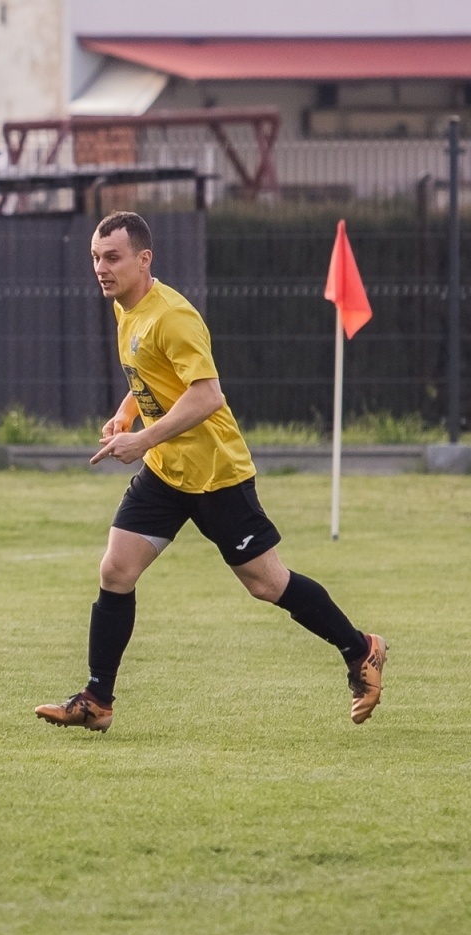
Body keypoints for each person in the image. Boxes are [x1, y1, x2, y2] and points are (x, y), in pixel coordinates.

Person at [35, 211, 385, 734]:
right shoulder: (125, 308)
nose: (100, 268)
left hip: (215, 474)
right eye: (95, 258)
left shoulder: (172, 315)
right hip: (166, 472)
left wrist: (142, 438)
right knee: (116, 571)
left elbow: (206, 394)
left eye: (112, 257)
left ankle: (362, 649)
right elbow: (152, 372)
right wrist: (128, 413)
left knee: (267, 584)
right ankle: (97, 700)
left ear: (143, 259)